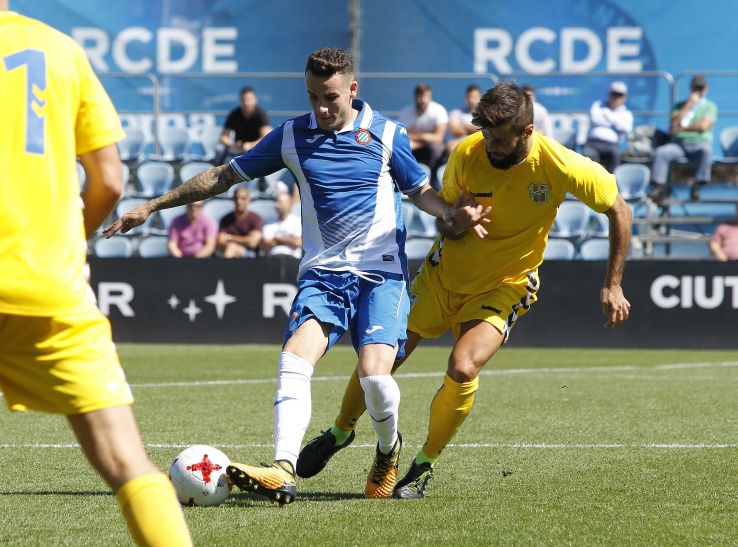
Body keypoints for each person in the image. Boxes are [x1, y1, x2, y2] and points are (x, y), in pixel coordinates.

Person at [103, 47, 488, 505]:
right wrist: (152, 205)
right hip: (324, 277)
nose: (321, 109)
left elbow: (421, 192)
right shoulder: (291, 136)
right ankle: (282, 468)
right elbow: (224, 177)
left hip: (382, 276)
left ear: (352, 89)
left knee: (373, 377)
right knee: (293, 360)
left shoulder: (387, 133)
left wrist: (451, 216)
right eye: (312, 97)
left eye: (329, 98)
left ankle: (388, 451)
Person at [296, 81, 632, 500]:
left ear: (527, 132)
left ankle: (422, 466)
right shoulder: (469, 152)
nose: (489, 145)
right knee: (382, 357)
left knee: (462, 367)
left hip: (505, 285)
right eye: (486, 135)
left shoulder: (562, 165)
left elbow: (620, 209)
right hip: (442, 277)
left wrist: (613, 283)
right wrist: (457, 222)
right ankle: (341, 430)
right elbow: (445, 222)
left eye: (499, 139)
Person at [0, 5, 192, 546]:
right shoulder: (61, 49)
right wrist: (63, 245)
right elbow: (107, 180)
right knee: (130, 465)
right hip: (49, 287)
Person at [649, 75, 718, 203]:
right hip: (678, 145)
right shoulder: (680, 105)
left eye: (701, 87)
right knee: (661, 152)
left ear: (706, 89)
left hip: (698, 144)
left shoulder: (710, 106)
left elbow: (703, 126)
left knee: (706, 151)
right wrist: (689, 104)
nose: (698, 90)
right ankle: (659, 187)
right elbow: (673, 122)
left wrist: (682, 129)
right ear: (690, 88)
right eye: (696, 87)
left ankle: (697, 186)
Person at [581, 81, 634, 173]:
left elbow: (626, 128)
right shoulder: (598, 105)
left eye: (619, 95)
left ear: (624, 98)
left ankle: (612, 185)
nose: (616, 98)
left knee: (615, 156)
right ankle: (584, 185)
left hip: (612, 146)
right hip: (592, 144)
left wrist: (607, 116)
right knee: (586, 158)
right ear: (609, 94)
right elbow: (595, 119)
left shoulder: (627, 113)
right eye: (614, 94)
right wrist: (616, 121)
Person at [398, 82, 449, 173]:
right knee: (402, 147)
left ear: (430, 97)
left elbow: (438, 138)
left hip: (431, 149)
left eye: (426, 96)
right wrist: (427, 136)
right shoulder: (406, 112)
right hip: (414, 148)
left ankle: (433, 180)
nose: (423, 100)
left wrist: (417, 140)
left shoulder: (438, 110)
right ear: (415, 97)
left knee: (436, 148)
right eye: (420, 96)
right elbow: (402, 136)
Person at [216, 86, 272, 164]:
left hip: (258, 153)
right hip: (238, 154)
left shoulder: (261, 114)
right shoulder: (234, 114)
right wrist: (233, 145)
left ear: (255, 99)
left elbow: (267, 137)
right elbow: (223, 137)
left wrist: (250, 145)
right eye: (244, 100)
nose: (246, 103)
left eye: (249, 99)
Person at [217, 187, 263, 258]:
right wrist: (246, 239)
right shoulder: (225, 219)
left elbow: (253, 242)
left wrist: (229, 237)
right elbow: (220, 241)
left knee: (231, 248)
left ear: (248, 200)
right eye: (236, 198)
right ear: (233, 200)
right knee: (231, 247)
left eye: (243, 198)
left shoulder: (256, 218)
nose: (239, 201)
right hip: (228, 250)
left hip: (250, 255)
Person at [261, 192, 302, 258]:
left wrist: (277, 240)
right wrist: (290, 240)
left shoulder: (297, 221)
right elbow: (266, 245)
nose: (277, 205)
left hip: (292, 258)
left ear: (289, 204)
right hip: (273, 258)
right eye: (276, 202)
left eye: (280, 202)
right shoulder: (269, 223)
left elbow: (298, 242)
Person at [447, 84, 481, 154]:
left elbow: (483, 130)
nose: (471, 100)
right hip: (459, 141)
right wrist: (474, 129)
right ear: (466, 97)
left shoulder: (485, 114)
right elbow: (453, 129)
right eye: (469, 97)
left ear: (480, 97)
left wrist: (464, 127)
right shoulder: (456, 112)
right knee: (451, 146)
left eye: (474, 97)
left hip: (479, 141)